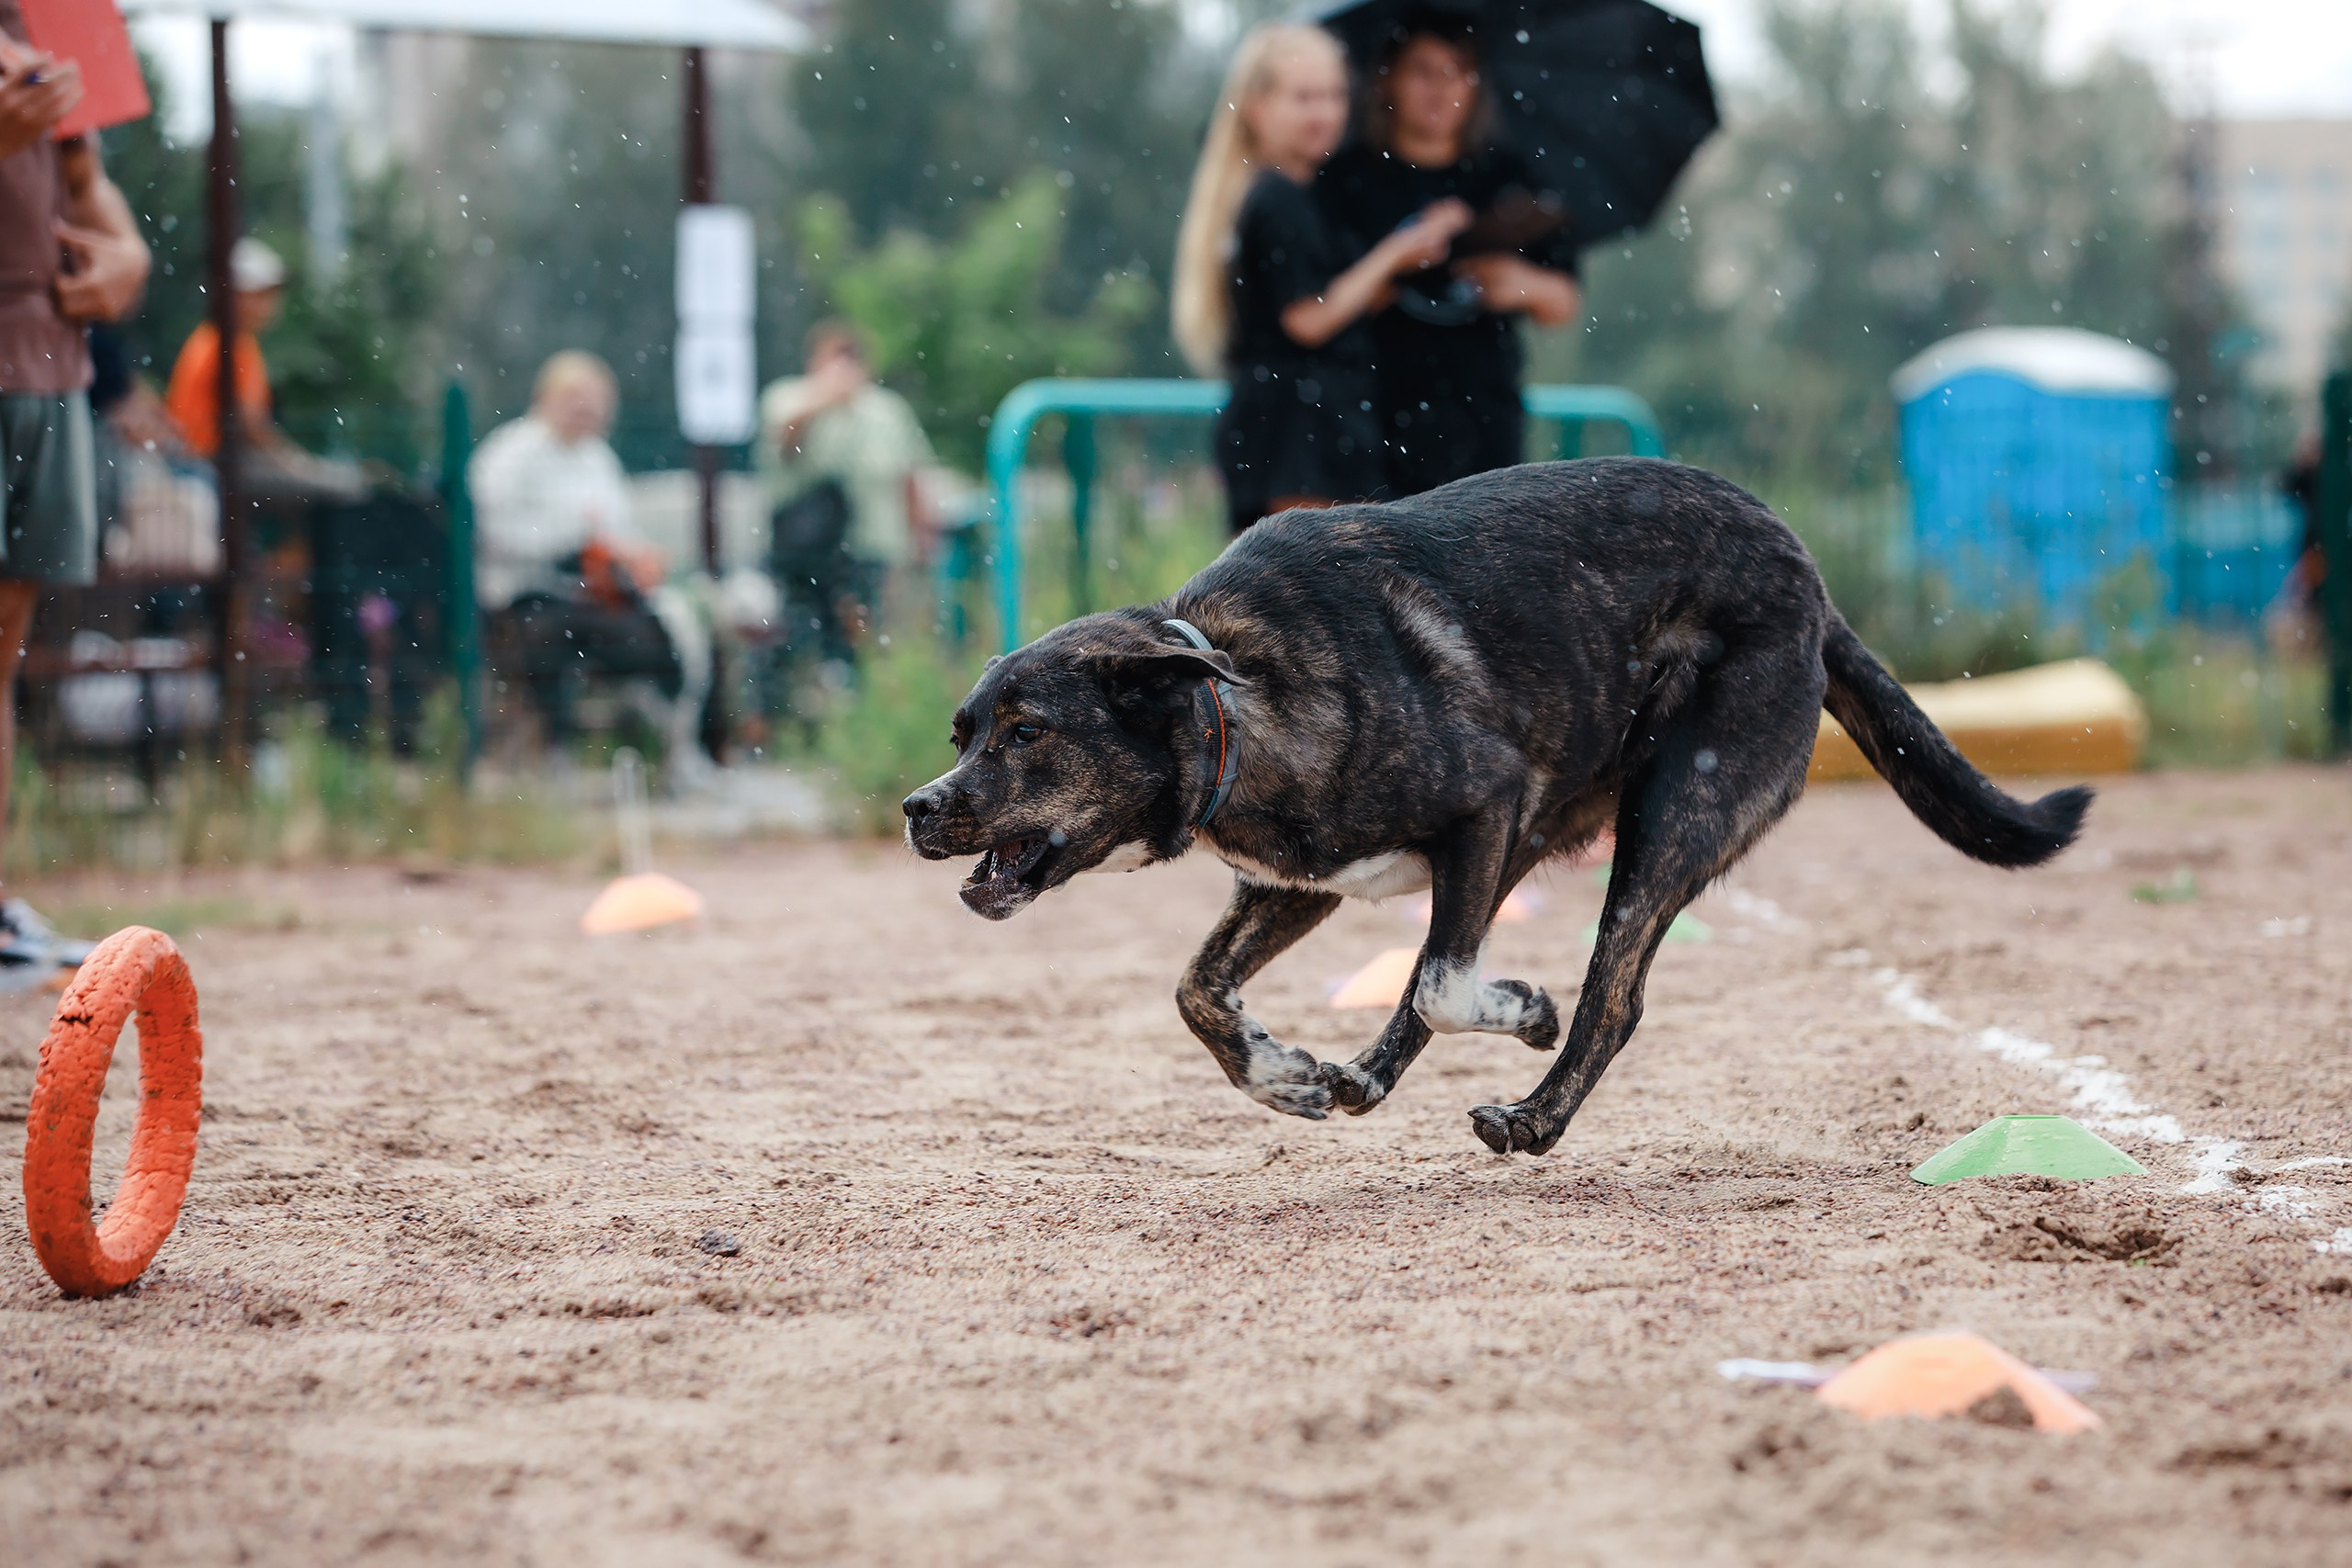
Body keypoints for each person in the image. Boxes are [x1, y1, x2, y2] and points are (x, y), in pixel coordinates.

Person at [1172, 21, 1469, 535]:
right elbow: (1307, 319)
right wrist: (1394, 253)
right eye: (1305, 97)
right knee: (1300, 598)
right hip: (1296, 430)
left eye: (1334, 95)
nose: (1326, 113)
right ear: (1258, 107)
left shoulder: (1295, 195)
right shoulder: (1275, 199)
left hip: (1303, 423)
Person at [1, 20, 149, 985]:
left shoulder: (60, 15)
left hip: (45, 364)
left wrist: (126, 253)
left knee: (0, 653)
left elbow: (92, 190)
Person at [1319, 6, 1581, 497]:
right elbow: (1321, 305)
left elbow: (1563, 302)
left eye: (1458, 72)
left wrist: (1516, 281)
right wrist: (1401, 260)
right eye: (1423, 71)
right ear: (1388, 79)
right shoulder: (1344, 181)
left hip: (1485, 417)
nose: (1441, 88)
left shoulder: (1511, 179)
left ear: (1476, 84)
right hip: (1372, 415)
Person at [469, 351, 709, 770]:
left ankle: (670, 748)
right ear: (545, 397)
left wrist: (635, 558)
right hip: (523, 596)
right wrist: (576, 539)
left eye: (596, 399)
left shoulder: (599, 459)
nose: (586, 408)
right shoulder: (509, 456)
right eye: (575, 396)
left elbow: (618, 530)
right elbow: (491, 533)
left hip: (594, 597)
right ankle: (552, 752)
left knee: (665, 638)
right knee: (551, 638)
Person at [756, 321, 935, 652]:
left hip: (872, 549)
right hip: (803, 554)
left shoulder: (887, 411)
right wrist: (825, 398)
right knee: (794, 641)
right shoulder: (787, 397)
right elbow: (783, 443)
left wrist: (922, 540)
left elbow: (909, 477)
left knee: (866, 642)